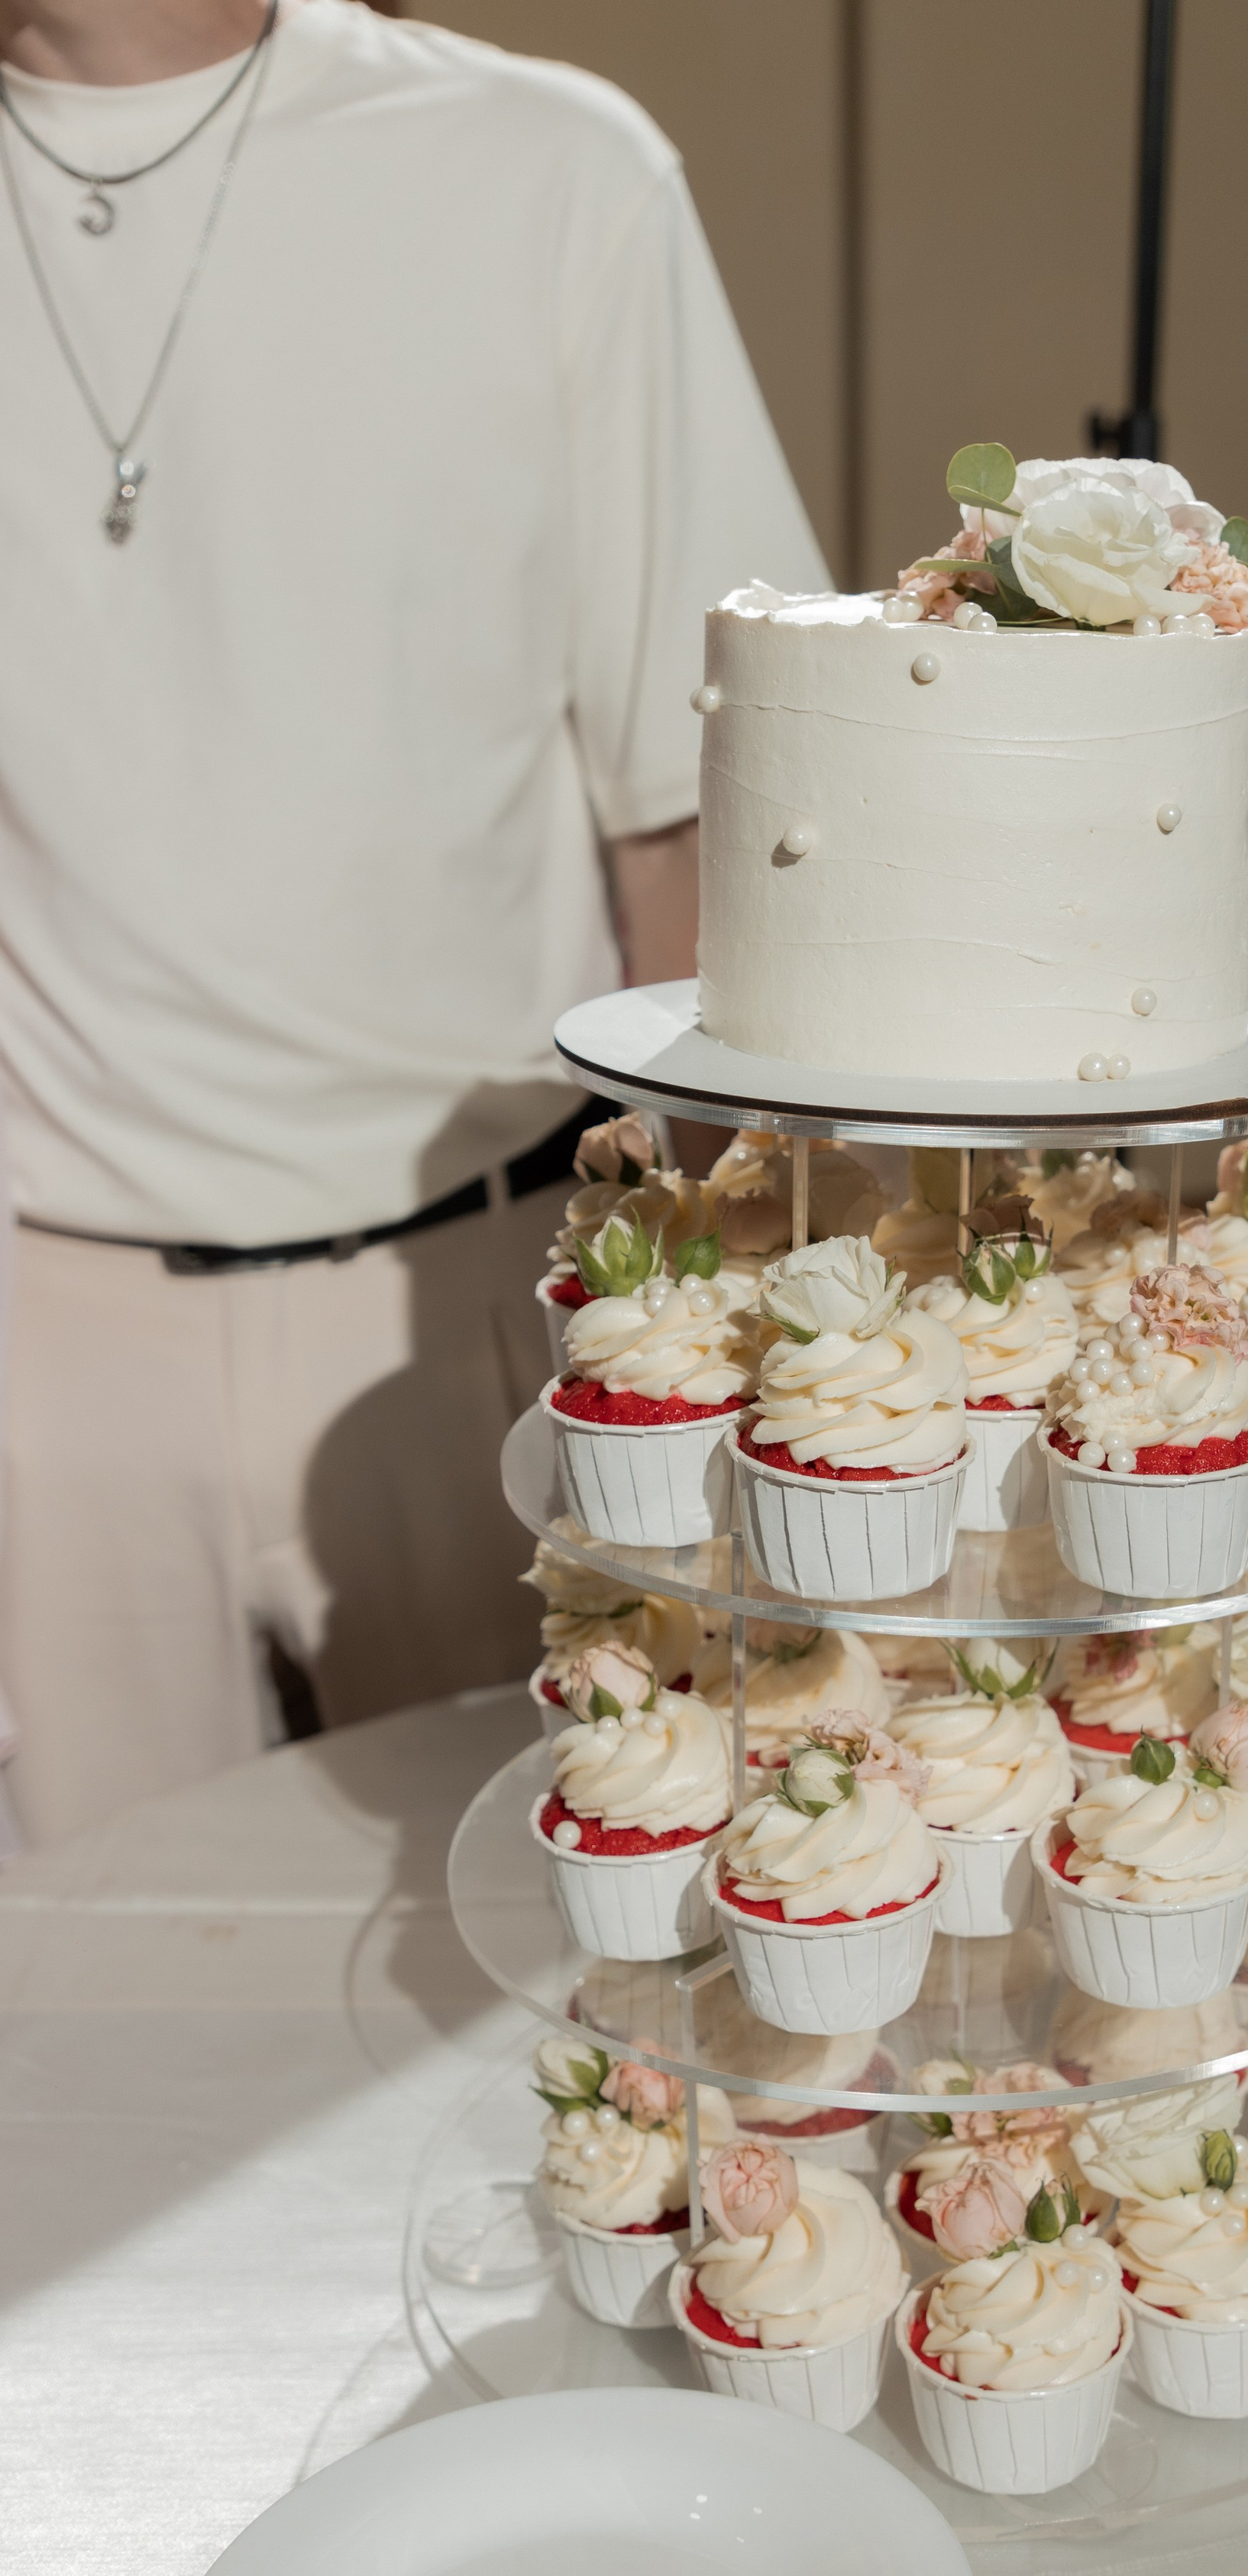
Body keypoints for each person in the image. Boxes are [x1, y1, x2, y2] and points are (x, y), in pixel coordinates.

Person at [0, 0, 826, 1843]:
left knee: (545, 1977)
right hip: (46, 1325)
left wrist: (711, 1314)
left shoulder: (548, 171)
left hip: (483, 1278)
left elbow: (695, 800)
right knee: (108, 2032)